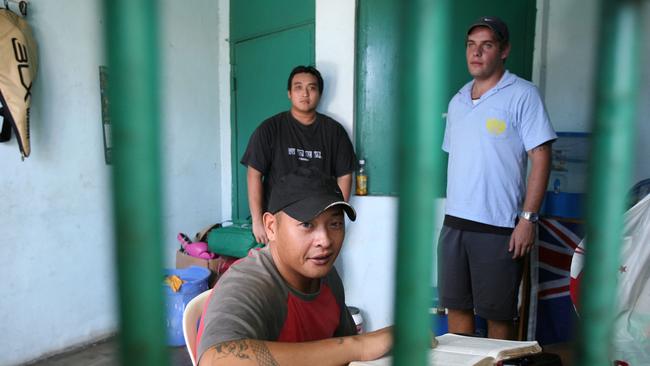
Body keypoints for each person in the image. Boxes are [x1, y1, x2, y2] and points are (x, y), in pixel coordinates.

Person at [196, 167, 392, 366]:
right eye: (307, 224)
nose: (324, 241)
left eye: (335, 224)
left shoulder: (327, 277)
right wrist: (357, 346)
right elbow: (215, 360)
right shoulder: (248, 283)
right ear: (271, 227)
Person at [438, 16, 557, 340]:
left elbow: (541, 155)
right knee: (457, 311)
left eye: (486, 45)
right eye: (471, 45)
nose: (476, 53)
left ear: (503, 51)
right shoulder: (458, 100)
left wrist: (527, 220)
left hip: (500, 228)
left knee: (497, 317)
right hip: (455, 225)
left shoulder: (522, 94)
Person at [241, 65, 357, 245]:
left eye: (312, 88)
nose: (305, 93)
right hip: (279, 221)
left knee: (316, 270)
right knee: (276, 270)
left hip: (319, 223)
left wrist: (334, 215)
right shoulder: (269, 129)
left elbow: (345, 175)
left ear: (319, 93)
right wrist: (257, 221)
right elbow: (254, 174)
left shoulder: (334, 132)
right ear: (289, 93)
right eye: (298, 87)